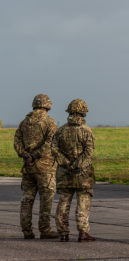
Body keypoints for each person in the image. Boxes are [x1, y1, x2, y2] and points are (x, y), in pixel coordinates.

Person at [13, 94, 59, 240]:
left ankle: (27, 231)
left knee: (27, 199)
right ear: (47, 106)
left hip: (28, 168)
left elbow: (17, 141)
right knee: (46, 199)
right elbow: (51, 144)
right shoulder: (50, 123)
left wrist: (25, 155)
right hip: (45, 168)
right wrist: (37, 155)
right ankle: (45, 230)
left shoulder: (24, 123)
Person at [51, 99, 96, 242]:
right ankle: (83, 233)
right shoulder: (87, 131)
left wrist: (66, 163)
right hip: (83, 175)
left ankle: (63, 233)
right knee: (83, 202)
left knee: (63, 202)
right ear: (83, 113)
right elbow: (88, 153)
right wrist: (77, 165)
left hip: (64, 173)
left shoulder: (61, 131)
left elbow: (54, 149)